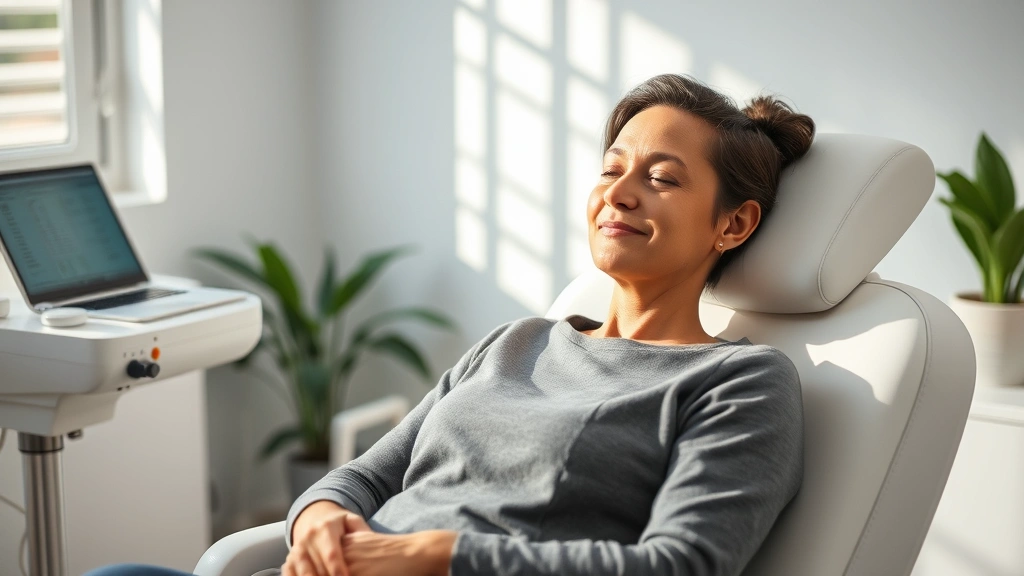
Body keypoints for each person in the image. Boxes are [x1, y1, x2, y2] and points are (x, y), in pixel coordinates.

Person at [86, 73, 813, 576]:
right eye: (610, 168)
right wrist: (317, 525)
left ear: (734, 222)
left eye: (660, 178)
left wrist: (430, 558)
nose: (618, 193)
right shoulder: (519, 341)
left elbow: (680, 566)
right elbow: (366, 477)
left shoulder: (738, 382)